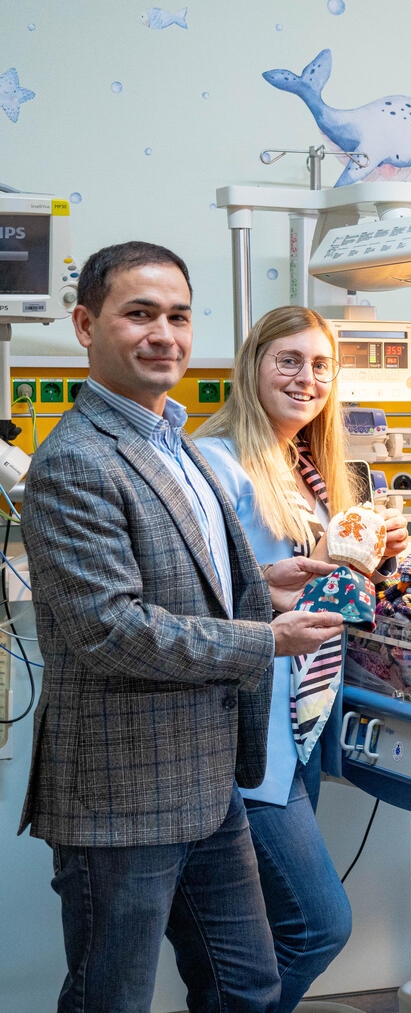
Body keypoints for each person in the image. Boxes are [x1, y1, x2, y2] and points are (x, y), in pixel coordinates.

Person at [19, 242, 347, 1012]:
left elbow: (184, 586)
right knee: (114, 994)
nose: (163, 333)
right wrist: (268, 638)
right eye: (139, 314)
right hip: (123, 791)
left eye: (177, 316)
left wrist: (264, 587)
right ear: (84, 324)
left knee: (248, 987)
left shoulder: (172, 442)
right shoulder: (75, 462)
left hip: (208, 784)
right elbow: (113, 629)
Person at [194, 305, 408, 1010]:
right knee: (317, 926)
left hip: (303, 720)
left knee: (263, 930)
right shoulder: (217, 462)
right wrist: (304, 580)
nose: (306, 377)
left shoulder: (308, 467)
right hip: (251, 732)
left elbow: (318, 585)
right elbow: (207, 603)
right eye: (288, 359)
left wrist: (374, 554)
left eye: (320, 364)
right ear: (252, 361)